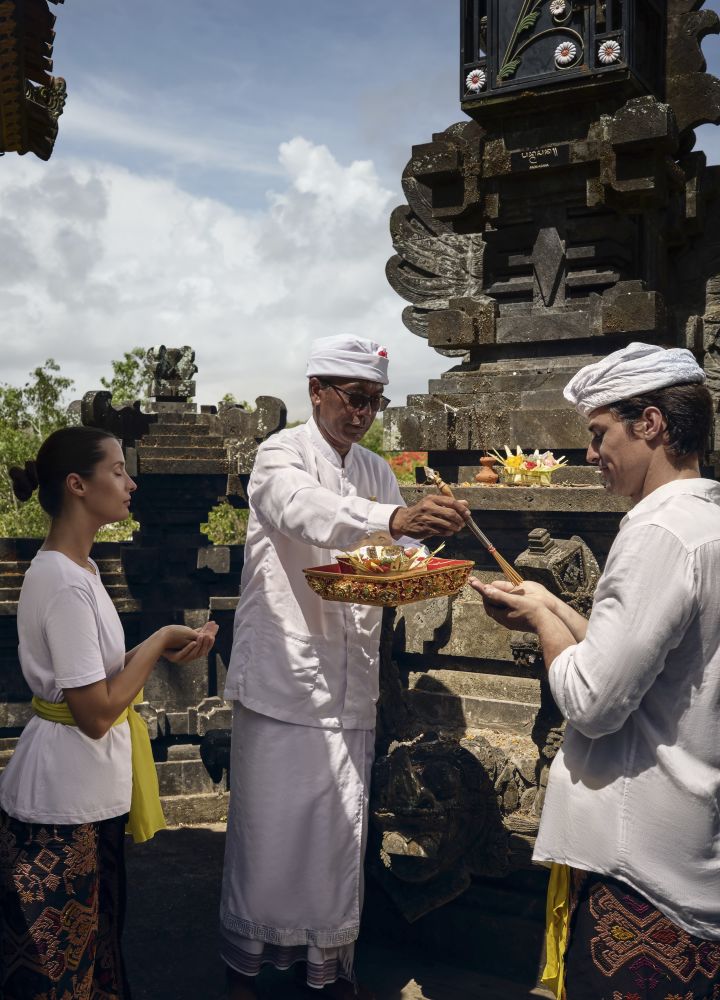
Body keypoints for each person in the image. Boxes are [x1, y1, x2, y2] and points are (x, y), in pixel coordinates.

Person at [220, 335, 469, 1000]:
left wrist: (432, 530)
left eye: (374, 402)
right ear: (317, 393)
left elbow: (400, 546)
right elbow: (305, 511)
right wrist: (393, 517)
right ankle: (258, 969)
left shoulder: (376, 468)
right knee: (272, 833)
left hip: (351, 676)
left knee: (339, 831)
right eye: (354, 399)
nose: (363, 413)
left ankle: (324, 967)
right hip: (286, 670)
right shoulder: (280, 456)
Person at [469, 342, 720, 1000]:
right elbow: (644, 664)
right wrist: (550, 604)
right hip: (690, 838)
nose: (590, 453)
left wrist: (547, 626)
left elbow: (593, 699)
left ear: (652, 424)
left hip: (640, 864)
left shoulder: (654, 531)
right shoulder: (706, 520)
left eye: (599, 432)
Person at [0, 426, 218, 999]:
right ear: (77, 485)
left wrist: (158, 646)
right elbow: (95, 711)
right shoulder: (64, 582)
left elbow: (93, 671)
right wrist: (159, 640)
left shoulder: (85, 571)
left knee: (97, 956)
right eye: (118, 470)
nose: (131, 481)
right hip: (60, 801)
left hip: (89, 792)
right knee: (61, 974)